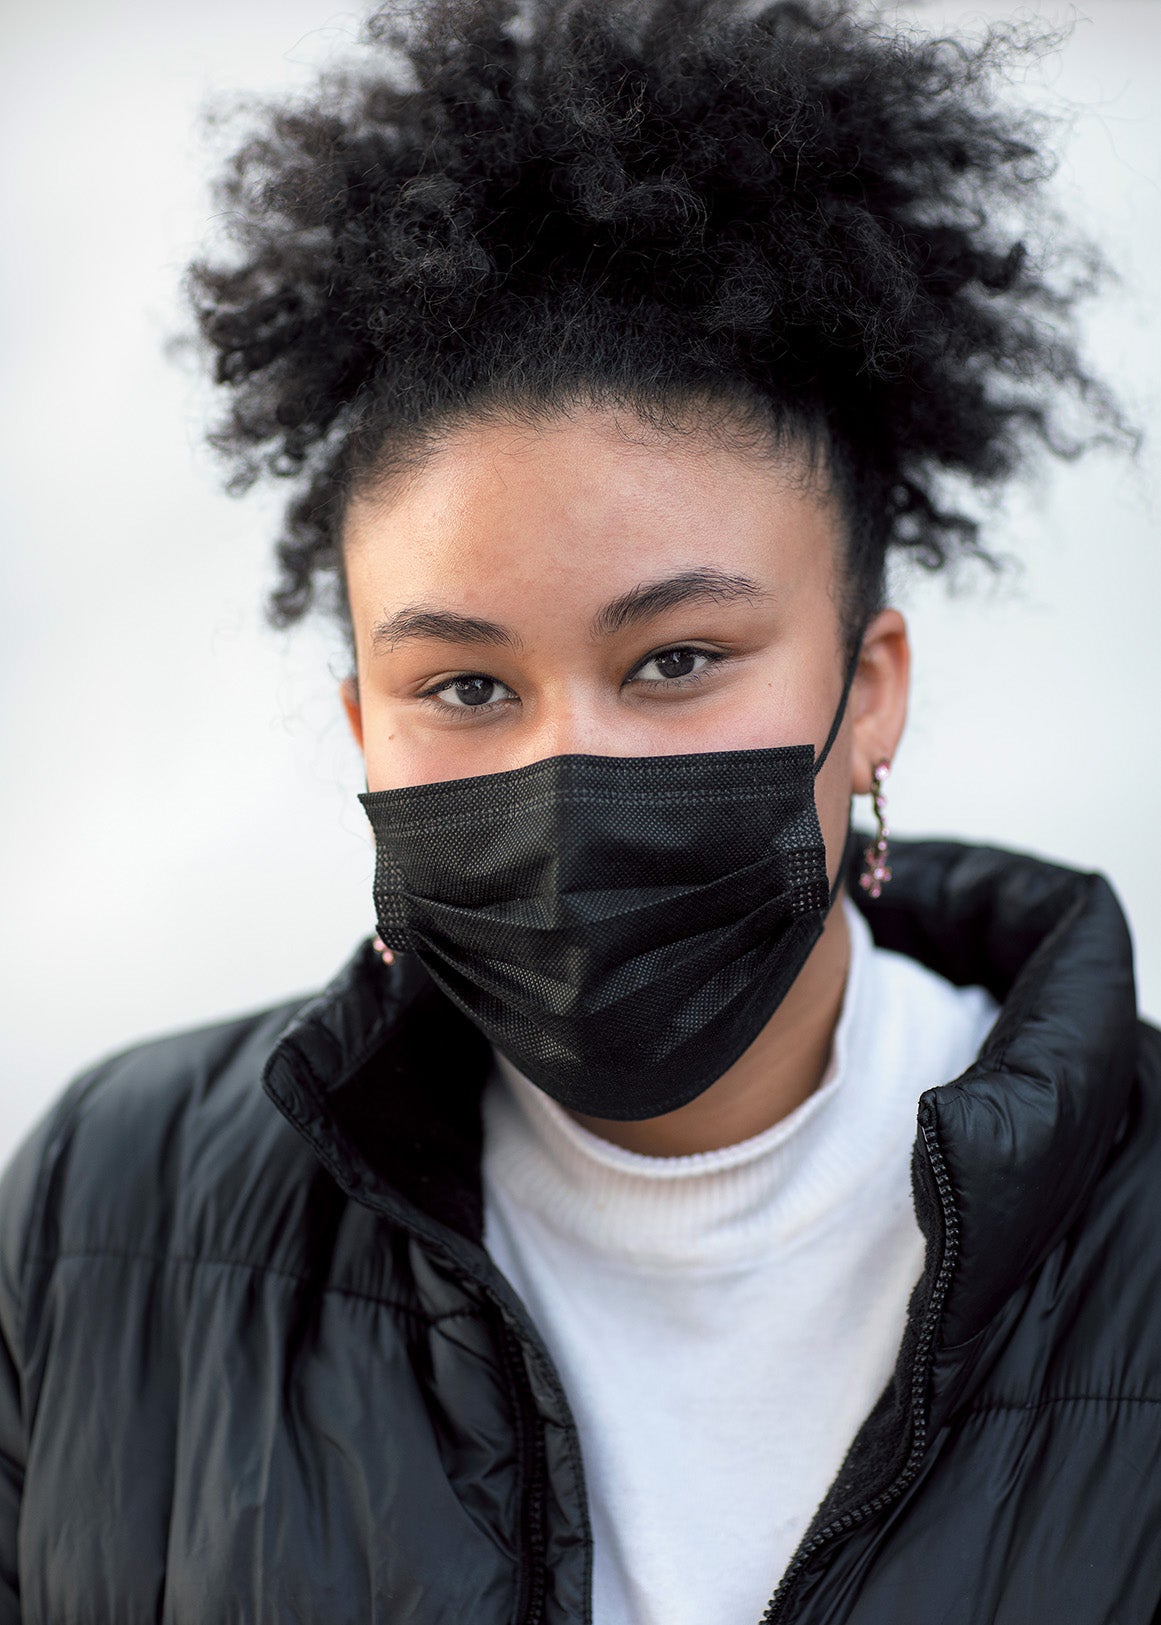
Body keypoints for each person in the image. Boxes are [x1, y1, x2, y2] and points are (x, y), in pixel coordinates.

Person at [1, 0, 1158, 1620]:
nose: (568, 772)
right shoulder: (96, 1208)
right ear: (362, 727)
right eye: (465, 687)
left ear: (870, 683)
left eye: (676, 656)